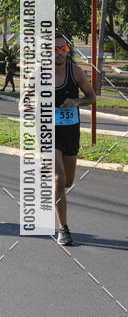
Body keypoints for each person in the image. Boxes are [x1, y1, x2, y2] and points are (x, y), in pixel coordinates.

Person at [50, 34, 95, 245]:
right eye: (55, 49)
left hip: (70, 131)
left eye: (63, 49)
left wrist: (76, 102)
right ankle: (63, 229)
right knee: (59, 179)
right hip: (49, 131)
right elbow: (24, 100)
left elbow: (92, 97)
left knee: (67, 182)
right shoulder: (39, 74)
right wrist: (26, 107)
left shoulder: (75, 72)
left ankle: (55, 183)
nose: (60, 53)